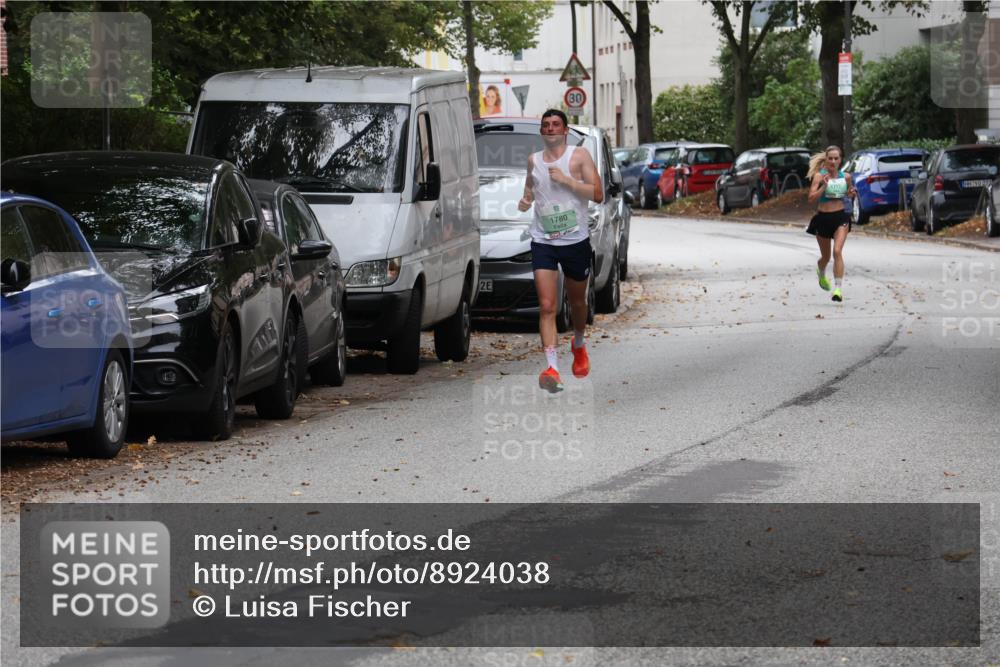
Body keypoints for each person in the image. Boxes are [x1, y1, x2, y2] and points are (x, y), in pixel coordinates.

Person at [517, 109, 603, 393]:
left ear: (565, 130)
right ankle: (552, 368)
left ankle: (578, 343)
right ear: (542, 131)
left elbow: (598, 194)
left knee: (577, 303)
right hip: (543, 241)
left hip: (575, 241)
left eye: (556, 124)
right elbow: (530, 189)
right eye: (546, 125)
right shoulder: (534, 161)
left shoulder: (579, 157)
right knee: (547, 306)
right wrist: (525, 201)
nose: (550, 128)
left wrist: (567, 181)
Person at [806, 145, 856, 302]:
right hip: (823, 218)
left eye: (836, 158)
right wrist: (824, 187)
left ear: (840, 160)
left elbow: (848, 194)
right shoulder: (819, 176)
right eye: (830, 158)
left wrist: (851, 194)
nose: (833, 161)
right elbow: (811, 198)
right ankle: (821, 272)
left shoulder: (846, 177)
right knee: (826, 257)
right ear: (826, 160)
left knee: (837, 251)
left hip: (841, 217)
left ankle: (838, 289)